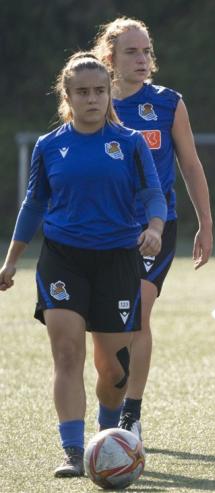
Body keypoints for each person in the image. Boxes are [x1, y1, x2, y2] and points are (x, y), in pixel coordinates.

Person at [0, 52, 166, 477]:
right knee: (67, 352)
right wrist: (12, 261)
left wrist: (154, 227)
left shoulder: (129, 142)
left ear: (109, 93)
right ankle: (74, 451)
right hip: (63, 259)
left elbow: (153, 195)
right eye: (82, 92)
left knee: (113, 370)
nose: (92, 99)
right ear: (68, 96)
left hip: (116, 260)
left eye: (99, 91)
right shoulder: (49, 145)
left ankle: (108, 440)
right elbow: (34, 203)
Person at [93, 17, 213, 437]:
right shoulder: (95, 103)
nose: (142, 59)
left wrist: (207, 223)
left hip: (156, 230)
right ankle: (109, 405)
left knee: (139, 317)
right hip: (103, 232)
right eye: (132, 51)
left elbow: (191, 165)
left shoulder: (167, 102)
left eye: (146, 51)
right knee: (108, 336)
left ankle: (132, 414)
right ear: (110, 57)